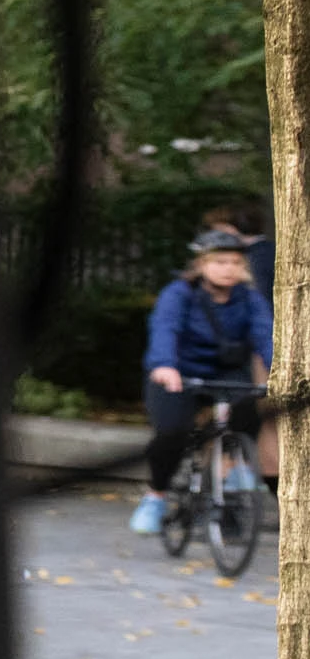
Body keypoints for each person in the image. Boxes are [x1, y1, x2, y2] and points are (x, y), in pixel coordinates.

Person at [133, 225, 275, 535]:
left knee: (249, 407)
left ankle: (234, 467)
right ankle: (156, 495)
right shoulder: (180, 294)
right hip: (179, 373)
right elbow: (165, 329)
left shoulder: (248, 299)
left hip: (227, 373)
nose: (228, 269)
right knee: (172, 433)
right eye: (220, 262)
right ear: (202, 264)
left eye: (235, 263)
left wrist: (278, 370)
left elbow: (266, 336)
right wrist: (165, 365)